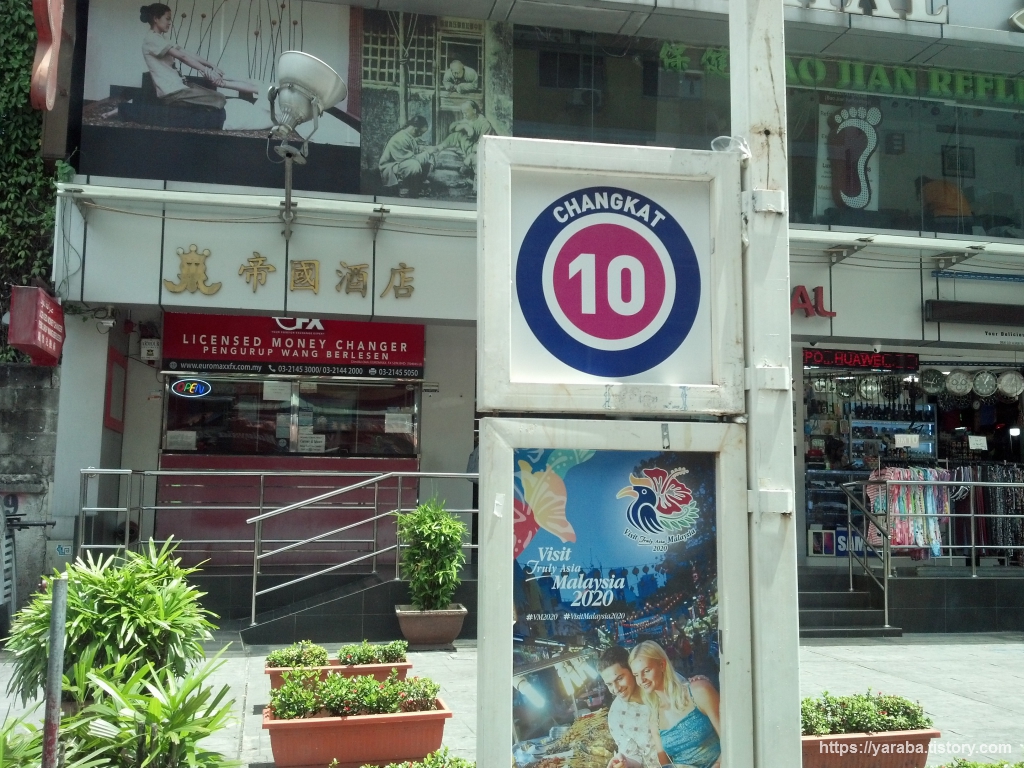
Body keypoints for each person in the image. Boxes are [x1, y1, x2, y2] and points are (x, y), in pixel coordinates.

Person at [139, 3, 259, 108]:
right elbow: (182, 57)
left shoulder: (161, 38)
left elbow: (186, 53)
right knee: (220, 99)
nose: (170, 23)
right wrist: (206, 71)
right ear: (156, 18)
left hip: (180, 86)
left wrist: (210, 65)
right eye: (167, 19)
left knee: (218, 96)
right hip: (172, 93)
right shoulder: (152, 39)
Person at [628, 640, 721, 768]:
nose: (641, 680)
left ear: (662, 665)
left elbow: (730, 737)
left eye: (646, 670)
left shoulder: (698, 691)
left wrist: (718, 765)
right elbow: (665, 763)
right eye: (636, 675)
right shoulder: (655, 719)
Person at [599, 646, 653, 768]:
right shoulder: (615, 715)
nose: (616, 689)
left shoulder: (655, 684)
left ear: (632, 670)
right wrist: (625, 762)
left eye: (619, 678)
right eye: (609, 684)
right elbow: (634, 755)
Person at [378, 115, 436, 195]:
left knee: (429, 157)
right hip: (391, 167)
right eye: (421, 132)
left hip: (402, 164)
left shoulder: (409, 136)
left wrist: (423, 149)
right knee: (414, 165)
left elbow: (413, 151)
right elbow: (410, 159)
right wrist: (427, 153)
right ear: (415, 129)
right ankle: (404, 186)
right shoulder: (400, 138)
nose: (420, 135)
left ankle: (420, 183)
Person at [437, 100, 494, 176]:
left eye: (466, 113)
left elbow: (481, 145)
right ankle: (440, 147)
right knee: (456, 134)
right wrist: (464, 126)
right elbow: (452, 128)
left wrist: (470, 156)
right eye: (463, 113)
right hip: (470, 147)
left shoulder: (485, 124)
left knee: (475, 160)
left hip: (481, 151)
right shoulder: (468, 120)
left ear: (474, 111)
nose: (464, 115)